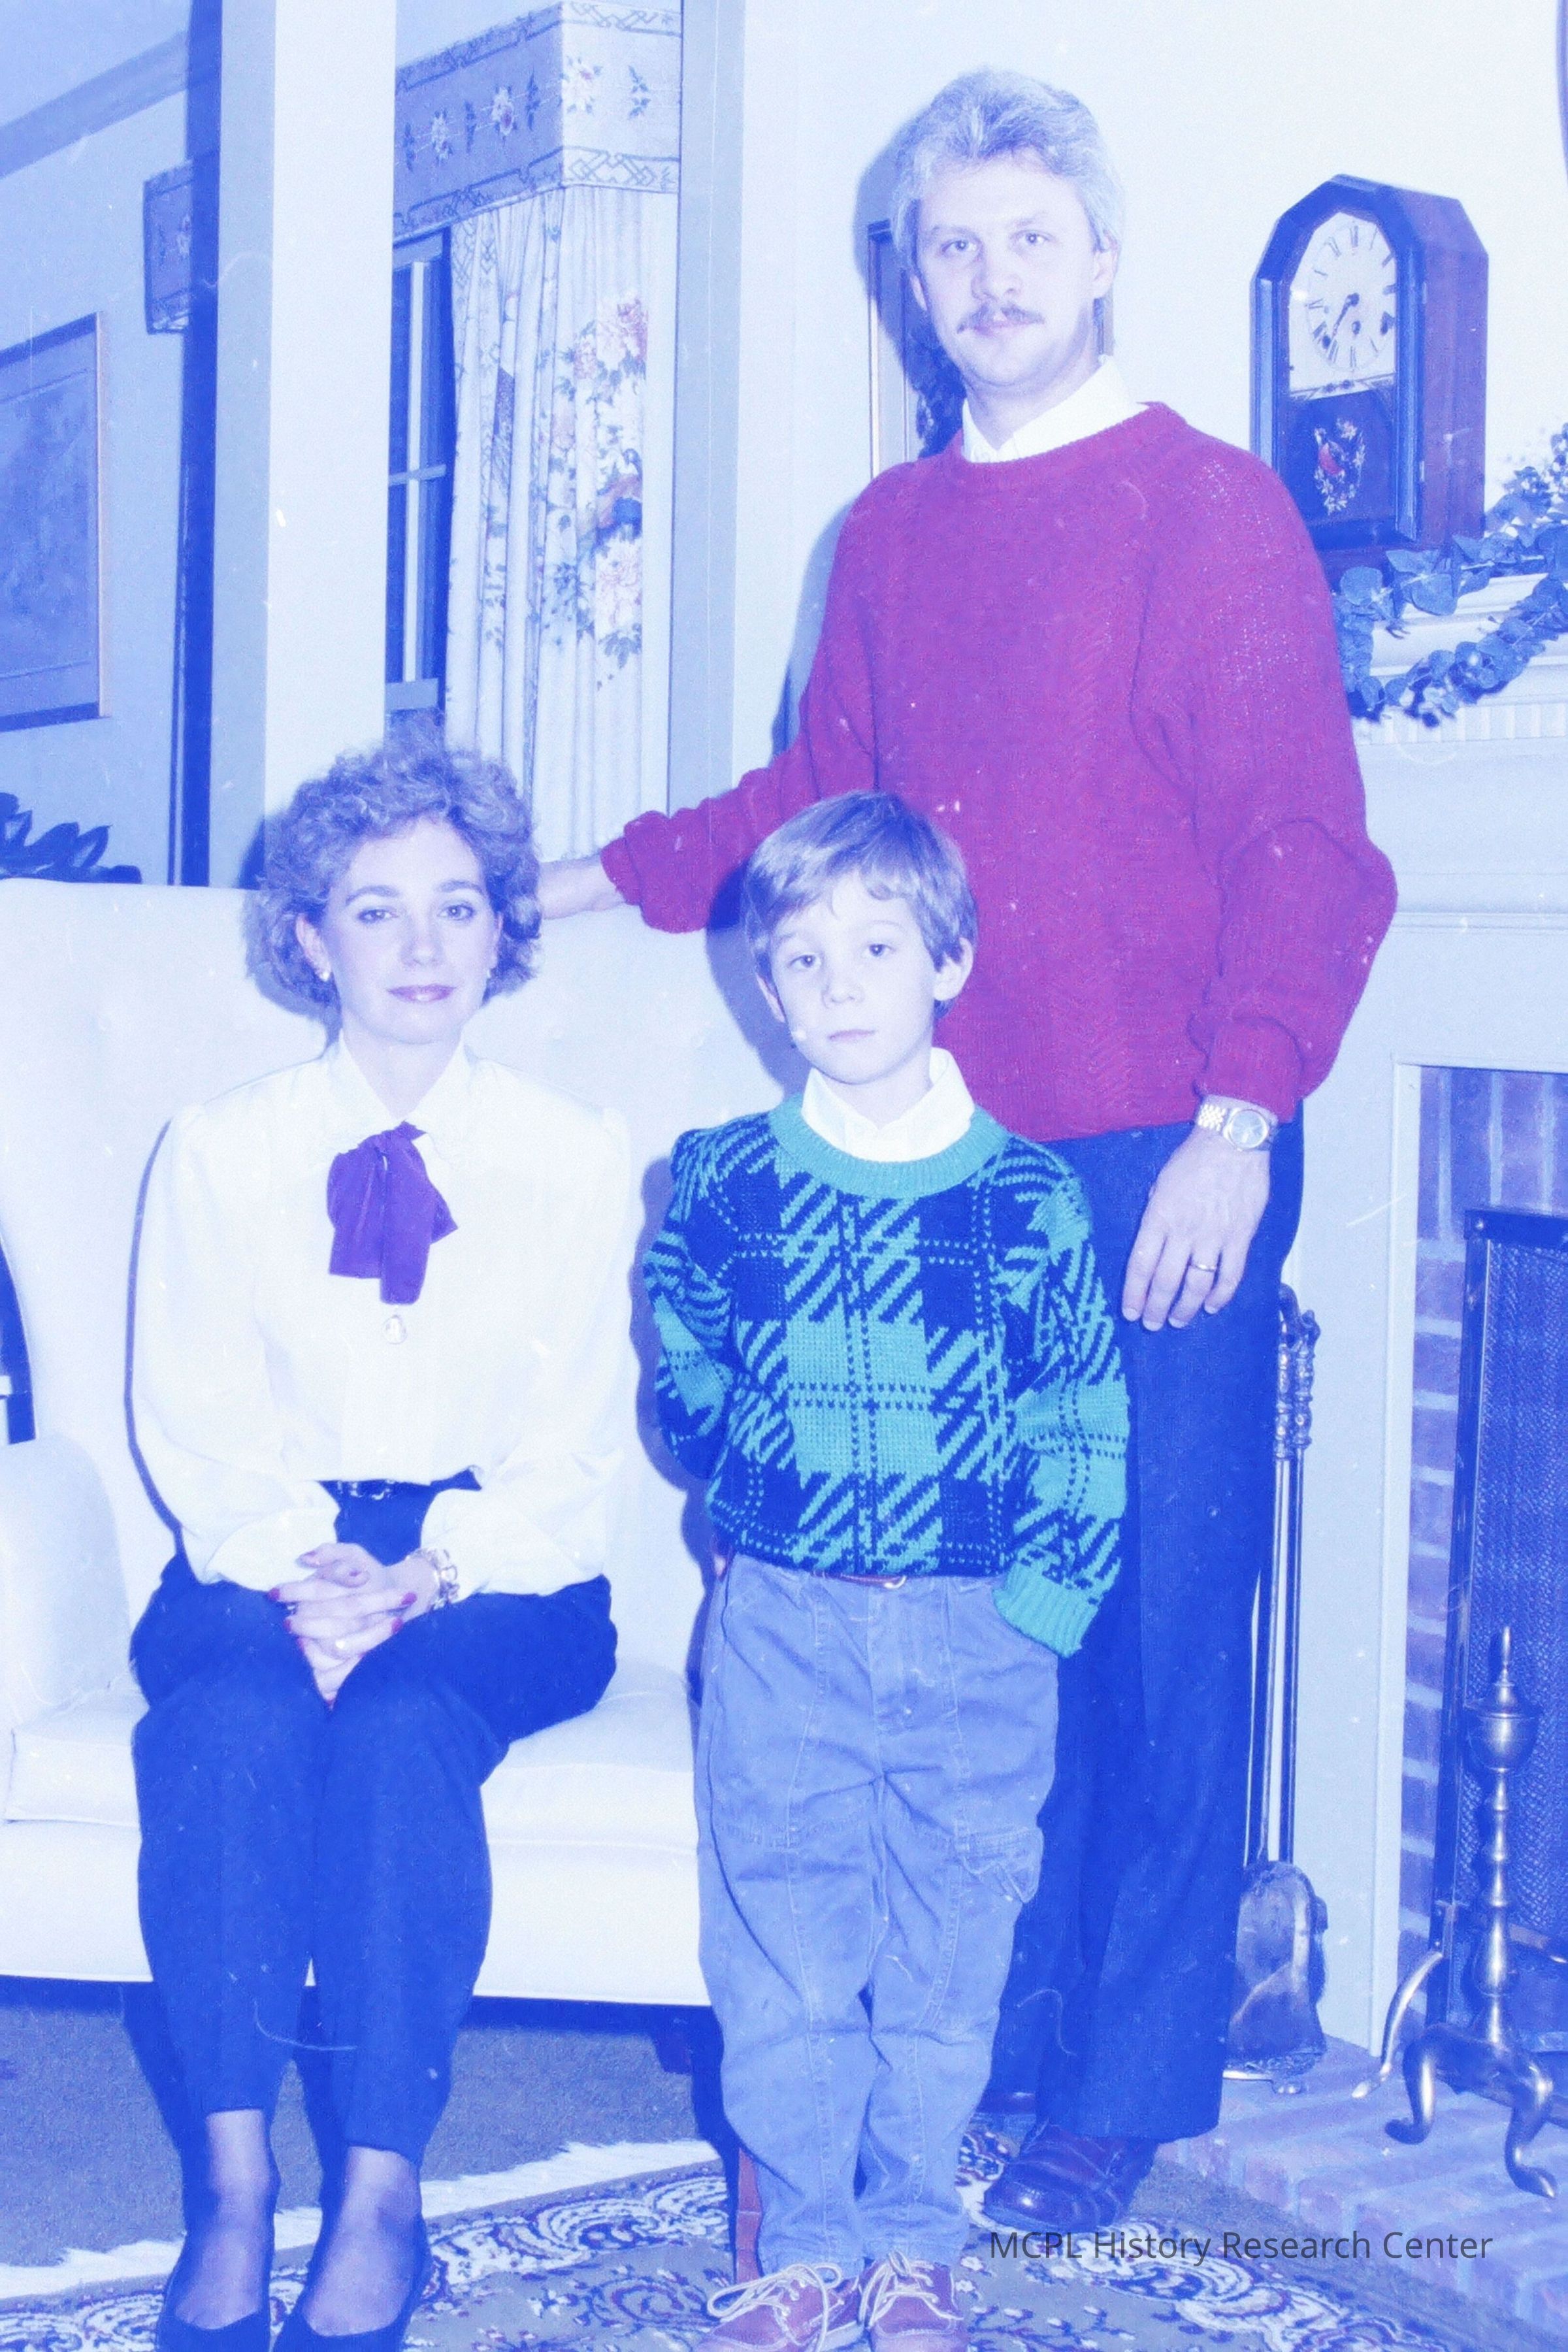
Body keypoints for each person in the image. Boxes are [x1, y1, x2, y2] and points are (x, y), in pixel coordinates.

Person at [540, 71, 1397, 2229]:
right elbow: (814, 804)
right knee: (984, 1619)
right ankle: (990, 2028)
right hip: (940, 1164)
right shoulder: (892, 537)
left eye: (1029, 237)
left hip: (1169, 1148)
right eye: (953, 248)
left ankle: (1126, 2076)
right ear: (913, 287)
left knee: (1155, 1617)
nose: (992, 278)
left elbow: (1306, 844)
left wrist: (1242, 1122)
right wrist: (575, 883)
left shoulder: (1210, 512)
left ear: (1100, 256)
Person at [129, 731, 630, 2352]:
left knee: (409, 1726)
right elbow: (193, 1411)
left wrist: (429, 1572)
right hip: (261, 1545)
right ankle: (228, 2185)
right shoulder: (222, 1147)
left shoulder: (573, 1156)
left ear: (503, 932)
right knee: (227, 1720)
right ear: (310, 937)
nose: (422, 945)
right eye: (375, 909)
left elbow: (577, 1439)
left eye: (458, 906)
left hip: (501, 1565)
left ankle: (380, 2195)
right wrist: (310, 1570)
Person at [644, 794, 1128, 2352]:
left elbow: (1079, 1416)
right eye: (804, 958)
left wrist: (1042, 1606)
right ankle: (803, 2247)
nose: (840, 984)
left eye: (877, 948)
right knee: (783, 1947)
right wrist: (749, 1496)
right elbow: (685, 1356)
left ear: (951, 963)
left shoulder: (1027, 1199)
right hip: (785, 1626)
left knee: (950, 1947)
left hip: (982, 1633)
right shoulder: (723, 1179)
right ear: (767, 992)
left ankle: (913, 2241)